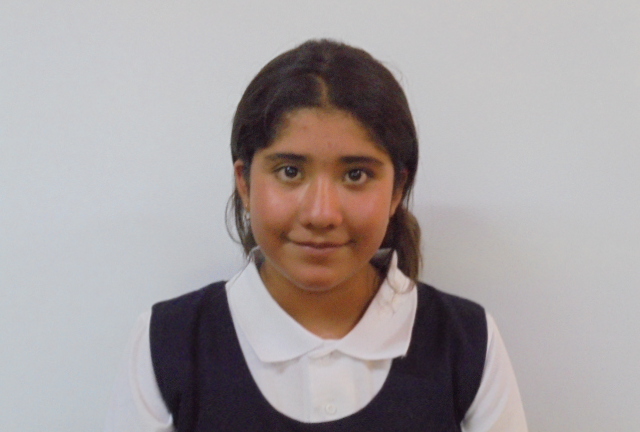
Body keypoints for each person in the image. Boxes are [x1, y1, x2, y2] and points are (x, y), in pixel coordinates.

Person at [105, 39, 528, 431]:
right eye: (290, 171)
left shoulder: (467, 342)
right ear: (245, 182)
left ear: (398, 189)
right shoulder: (167, 343)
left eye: (356, 175)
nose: (321, 214)